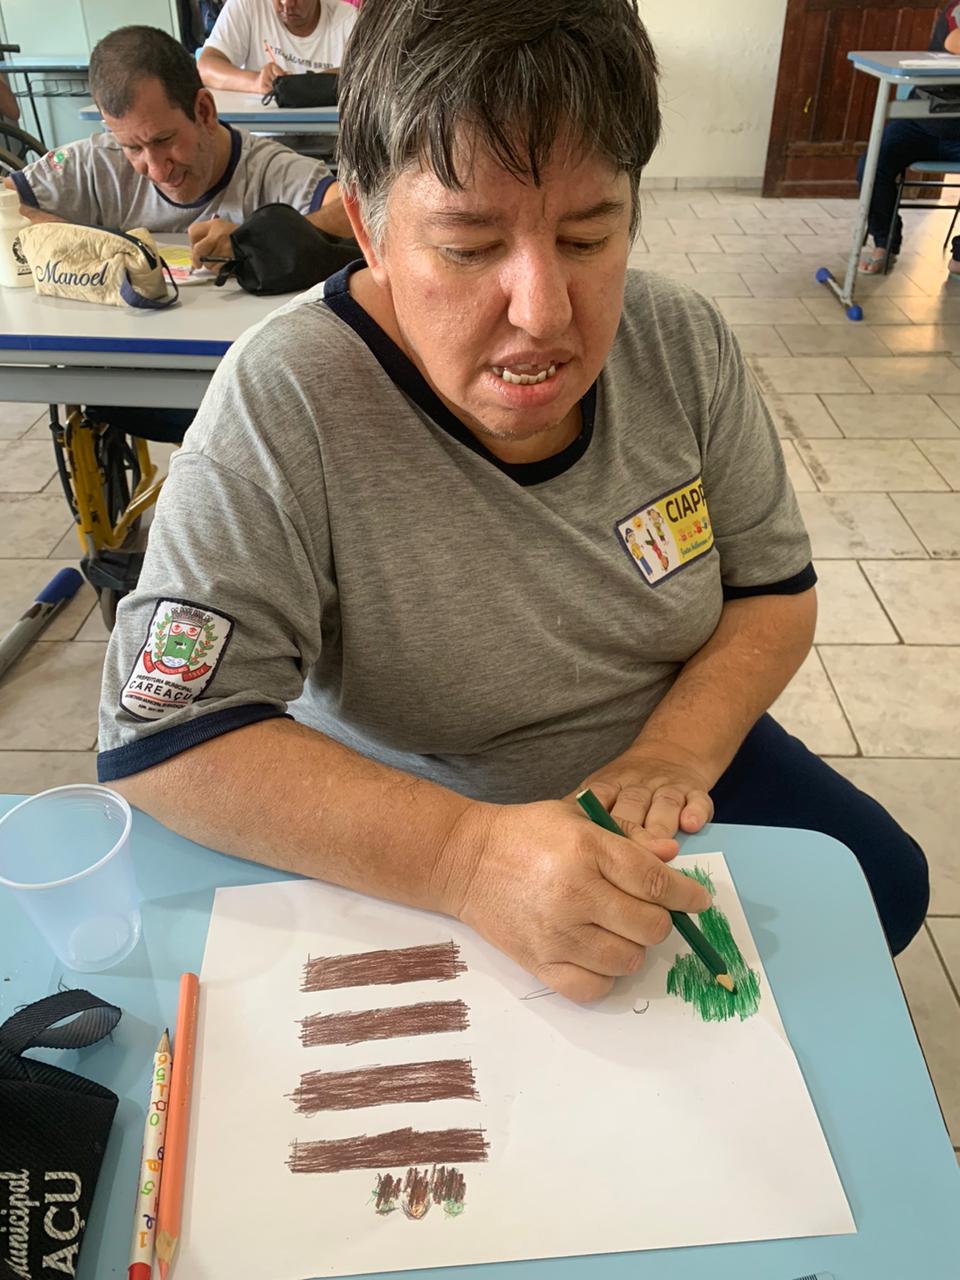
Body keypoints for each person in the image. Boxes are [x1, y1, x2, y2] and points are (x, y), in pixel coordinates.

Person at [97, 0, 929, 1003]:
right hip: (422, 806)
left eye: (588, 237)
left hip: (670, 759)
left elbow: (773, 593)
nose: (542, 313)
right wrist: (466, 858)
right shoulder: (286, 398)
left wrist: (674, 751)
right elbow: (162, 738)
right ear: (370, 231)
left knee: (886, 889)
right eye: (468, 245)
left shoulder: (683, 345)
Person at [5, 24, 353, 260]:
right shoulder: (95, 163)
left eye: (164, 139)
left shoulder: (266, 170)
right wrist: (74, 240)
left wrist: (256, 241)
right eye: (133, 148)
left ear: (204, 111)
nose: (157, 170)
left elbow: (356, 213)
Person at [857, 2, 960, 274]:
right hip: (920, 121)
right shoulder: (955, 10)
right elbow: (955, 42)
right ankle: (885, 243)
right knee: (873, 165)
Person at [198, 0, 357, 95]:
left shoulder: (347, 17)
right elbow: (205, 67)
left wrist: (306, 84)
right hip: (263, 133)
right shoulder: (247, 5)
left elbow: (365, 76)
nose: (287, 3)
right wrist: (256, 82)